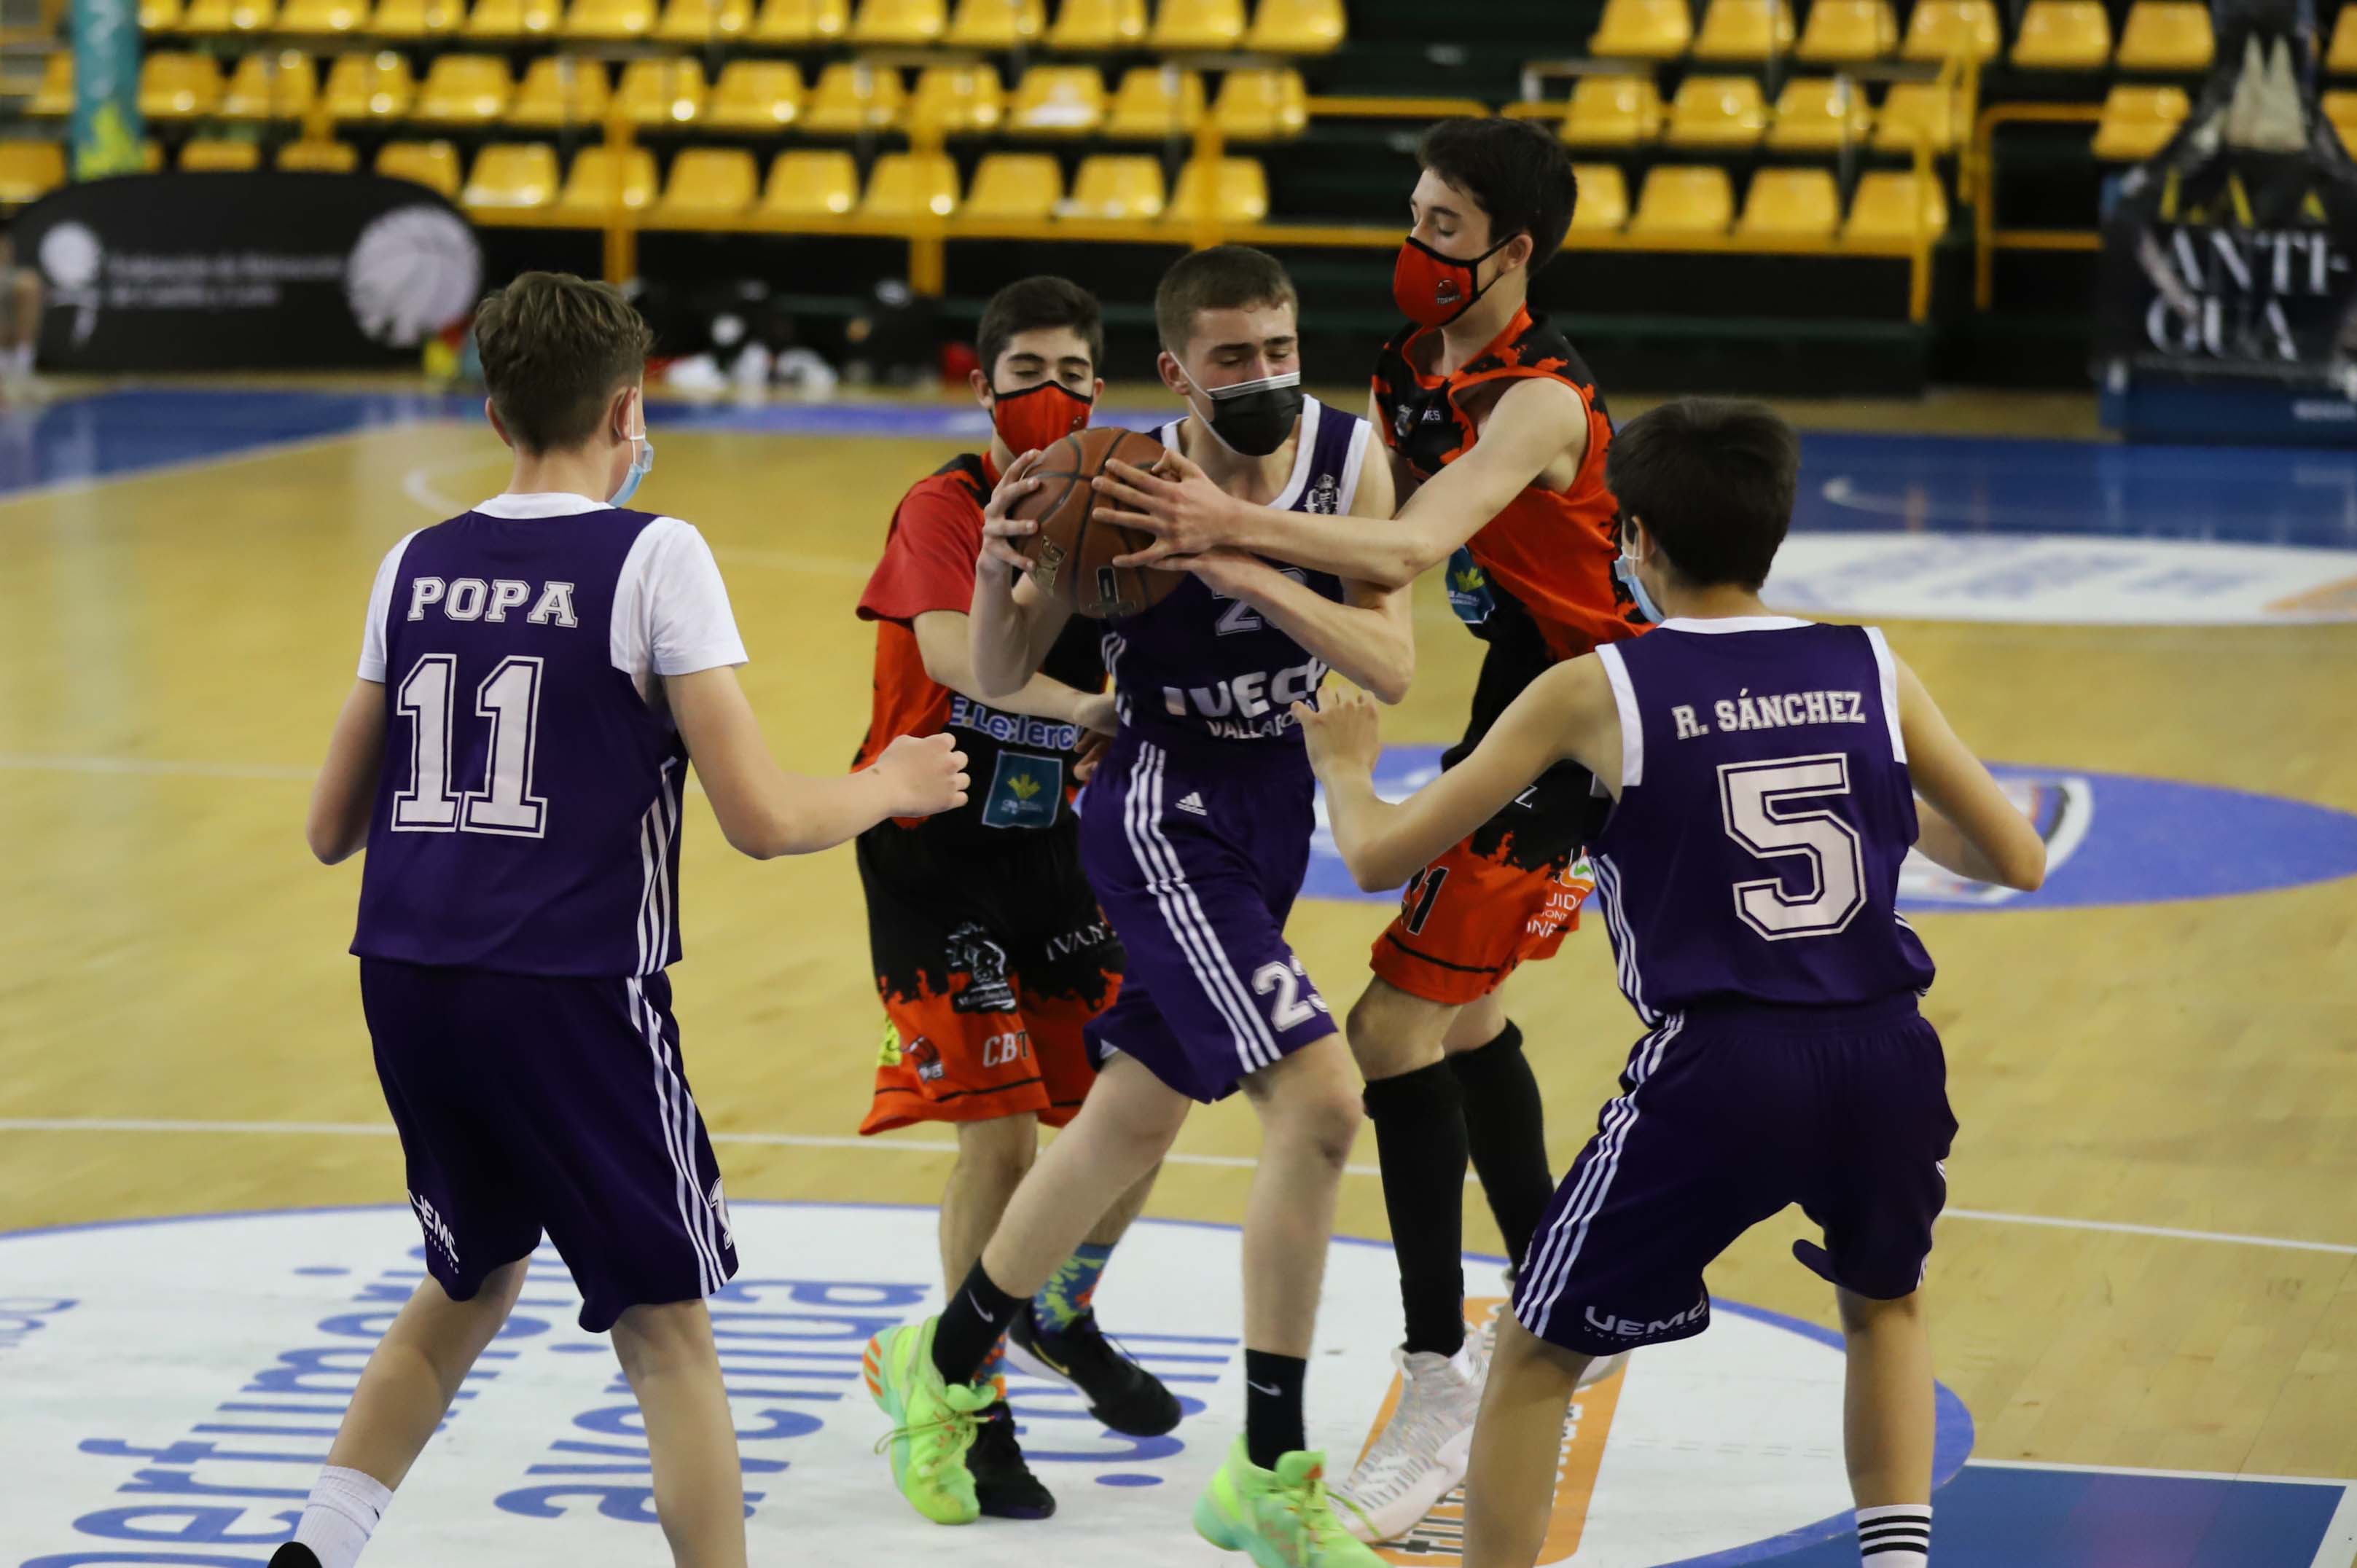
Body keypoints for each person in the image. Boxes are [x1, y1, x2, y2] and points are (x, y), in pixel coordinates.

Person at [279, 271, 969, 1568]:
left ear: (492, 413)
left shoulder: (415, 560)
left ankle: (316, 1545)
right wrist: (893, 782)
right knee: (668, 1333)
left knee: (469, 1278)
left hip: (408, 976)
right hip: (569, 985)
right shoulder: (655, 552)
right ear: (626, 410)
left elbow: (328, 828)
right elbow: (759, 818)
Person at [1299, 398, 2047, 1568]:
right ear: (1774, 531)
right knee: (1884, 1305)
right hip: (1887, 1052)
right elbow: (2015, 856)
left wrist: (1345, 769)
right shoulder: (1866, 659)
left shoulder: (1598, 687)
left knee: (1539, 1350)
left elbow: (1375, 856)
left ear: (1633, 539)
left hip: (1721, 1069)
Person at [1090, 116, 1641, 1538]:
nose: (1415, 247)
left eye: (1444, 227)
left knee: (1389, 1033)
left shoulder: (1540, 401)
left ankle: (1445, 1374)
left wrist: (1218, 526)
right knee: (1455, 1025)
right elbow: (1358, 523)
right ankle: (1555, 1311)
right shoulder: (1409, 367)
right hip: (1520, 693)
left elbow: (1401, 548)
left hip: (1587, 719)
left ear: (1512, 254)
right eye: (1412, 215)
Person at [861, 245, 1410, 1567]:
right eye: (1232, 360)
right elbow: (991, 672)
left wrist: (1244, 558)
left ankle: (938, 1372)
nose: (1265, 378)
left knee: (1127, 1119)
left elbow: (1389, 660)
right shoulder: (1107, 484)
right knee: (1324, 1106)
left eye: (1278, 350)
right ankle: (1268, 1473)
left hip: (1270, 804)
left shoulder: (1347, 459)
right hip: (1158, 810)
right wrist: (1004, 569)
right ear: (1177, 374)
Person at [850, 275, 1179, 1520]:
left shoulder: (1121, 492)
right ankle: (967, 1399)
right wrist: (1092, 702)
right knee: (1000, 1132)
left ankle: (1057, 1302)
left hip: (1056, 854)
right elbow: (955, 659)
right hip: (933, 851)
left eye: (1080, 372)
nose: (1059, 393)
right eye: (1031, 370)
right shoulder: (946, 505)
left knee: (1138, 1102)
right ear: (982, 386)